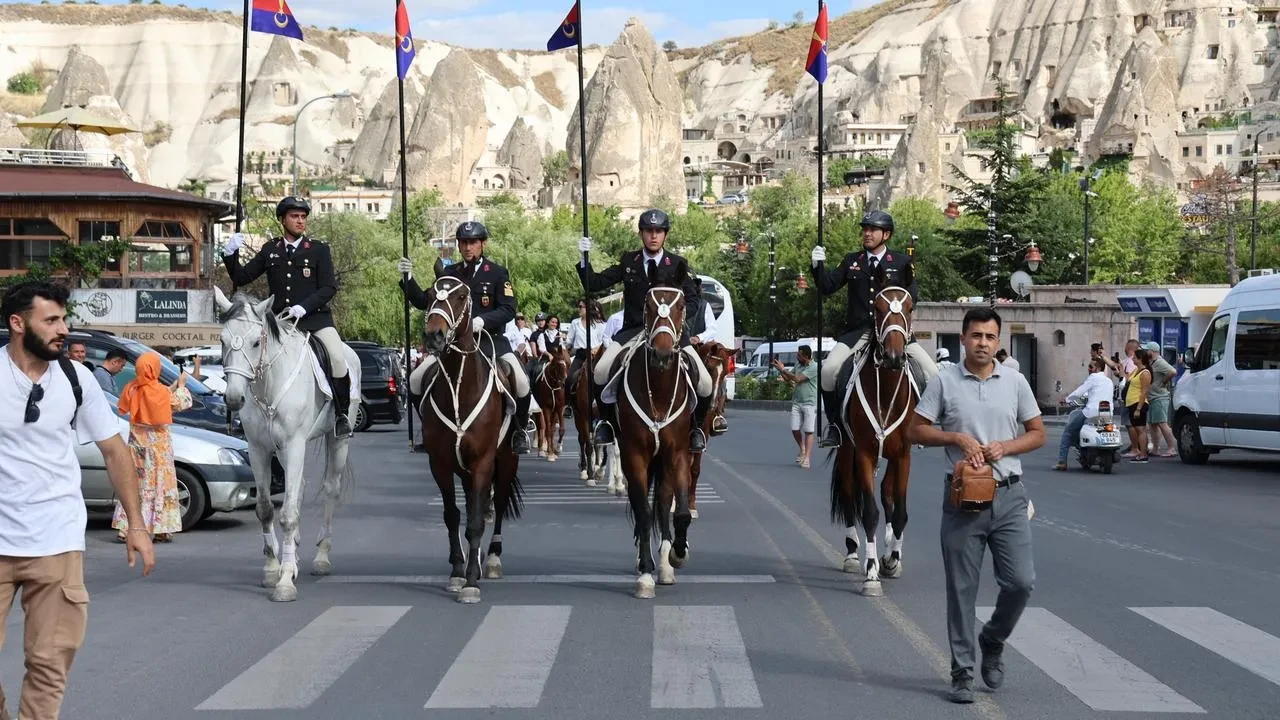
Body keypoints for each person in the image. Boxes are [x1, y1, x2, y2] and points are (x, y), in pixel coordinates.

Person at [1, 281, 155, 720]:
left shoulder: (75, 377)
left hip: (58, 540)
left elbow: (114, 451)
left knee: (49, 664)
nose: (62, 329)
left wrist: (138, 527)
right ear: (18, 323)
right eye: (51, 320)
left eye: (63, 319)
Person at [906, 306, 1044, 704]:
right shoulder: (944, 381)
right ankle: (962, 672)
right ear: (962, 338)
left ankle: (993, 638)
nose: (982, 343)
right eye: (976, 335)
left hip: (1010, 496)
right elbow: (916, 429)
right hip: (963, 499)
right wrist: (955, 438)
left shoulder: (1015, 381)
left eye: (989, 336)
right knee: (961, 590)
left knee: (1021, 582)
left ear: (998, 342)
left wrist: (1006, 446)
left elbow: (1036, 433)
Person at [576, 208, 714, 451]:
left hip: (671, 332)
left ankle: (696, 429)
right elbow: (594, 284)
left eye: (658, 231)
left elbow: (693, 300)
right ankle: (606, 423)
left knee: (704, 382)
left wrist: (677, 317)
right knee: (600, 371)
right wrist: (585, 260)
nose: (653, 236)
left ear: (665, 235)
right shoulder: (630, 262)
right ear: (641, 234)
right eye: (648, 231)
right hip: (634, 330)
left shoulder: (678, 264)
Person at [221, 196, 354, 436]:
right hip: (280, 323)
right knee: (256, 359)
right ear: (282, 219)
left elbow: (328, 287)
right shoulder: (271, 250)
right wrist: (229, 253)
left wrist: (305, 307)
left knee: (336, 357)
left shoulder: (318, 250)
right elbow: (241, 277)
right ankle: (253, 416)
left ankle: (341, 415)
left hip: (315, 320)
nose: (300, 221)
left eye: (303, 217)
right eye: (294, 216)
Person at [398, 220, 532, 455]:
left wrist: (482, 321)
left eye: (473, 242)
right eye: (463, 243)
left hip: (491, 341)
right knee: (416, 379)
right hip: (454, 345)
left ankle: (519, 431)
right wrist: (408, 280)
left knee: (521, 381)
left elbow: (509, 308)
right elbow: (425, 302)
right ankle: (431, 429)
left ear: (483, 244)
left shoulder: (498, 273)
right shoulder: (450, 274)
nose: (468, 247)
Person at [810, 209, 939, 447]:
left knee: (933, 374)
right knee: (828, 371)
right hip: (859, 332)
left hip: (893, 331)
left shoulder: (901, 262)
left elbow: (913, 295)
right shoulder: (852, 261)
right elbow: (827, 287)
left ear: (886, 234)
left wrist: (897, 312)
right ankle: (835, 426)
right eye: (865, 229)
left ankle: (922, 425)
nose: (867, 234)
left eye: (872, 230)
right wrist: (817, 266)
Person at [111, 351, 193, 544]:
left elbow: (143, 400)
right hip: (159, 451)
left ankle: (126, 528)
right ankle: (161, 528)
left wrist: (172, 387)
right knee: (160, 487)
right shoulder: (161, 392)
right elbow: (183, 402)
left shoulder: (131, 388)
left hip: (136, 448)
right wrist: (181, 385)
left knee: (135, 486)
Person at [684, 276, 728, 435]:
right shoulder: (675, 304)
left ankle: (716, 414)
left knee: (714, 373)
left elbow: (712, 329)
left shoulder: (705, 306)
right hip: (676, 346)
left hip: (697, 348)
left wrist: (698, 338)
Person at [1053, 356, 1114, 470]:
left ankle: (1062, 462)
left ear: (1098, 368)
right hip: (1107, 414)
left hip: (1091, 412)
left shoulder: (1093, 378)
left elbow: (1079, 392)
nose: (1089, 369)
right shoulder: (1109, 381)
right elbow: (1086, 397)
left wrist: (1066, 400)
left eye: (1091, 367)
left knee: (1068, 432)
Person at [771, 344, 817, 468]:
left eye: (799, 355)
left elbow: (797, 379)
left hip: (810, 402)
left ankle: (807, 457)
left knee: (808, 431)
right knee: (794, 428)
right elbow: (788, 378)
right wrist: (780, 369)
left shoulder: (814, 367)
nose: (797, 357)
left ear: (806, 357)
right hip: (797, 401)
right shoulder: (798, 365)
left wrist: (783, 369)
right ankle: (802, 448)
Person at [565, 299, 605, 395]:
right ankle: (568, 406)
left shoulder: (600, 324)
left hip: (595, 356)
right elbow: (569, 341)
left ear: (589, 308)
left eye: (580, 307)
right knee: (569, 378)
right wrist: (564, 349)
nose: (579, 309)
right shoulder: (575, 323)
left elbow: (603, 340)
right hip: (580, 355)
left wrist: (596, 349)